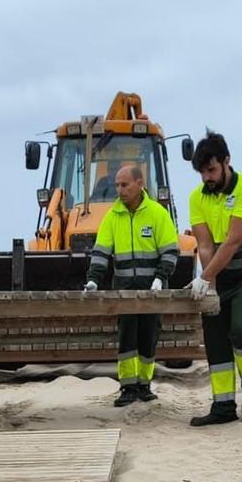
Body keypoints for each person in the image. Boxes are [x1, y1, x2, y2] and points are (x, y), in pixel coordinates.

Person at [186, 129, 242, 427]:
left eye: (211, 169)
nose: (207, 178)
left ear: (227, 161)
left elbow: (233, 242)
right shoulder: (197, 197)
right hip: (221, 278)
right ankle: (223, 407)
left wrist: (206, 275)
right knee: (215, 338)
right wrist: (209, 287)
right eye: (202, 172)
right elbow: (205, 245)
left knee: (241, 329)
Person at [84, 164, 179, 407]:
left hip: (152, 291)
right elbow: (101, 252)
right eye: (117, 185)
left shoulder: (158, 214)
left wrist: (160, 277)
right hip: (124, 291)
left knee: (148, 336)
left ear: (140, 184)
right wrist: (93, 278)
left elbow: (170, 251)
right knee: (127, 337)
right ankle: (127, 387)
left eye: (124, 185)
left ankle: (144, 386)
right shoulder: (112, 217)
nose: (119, 189)